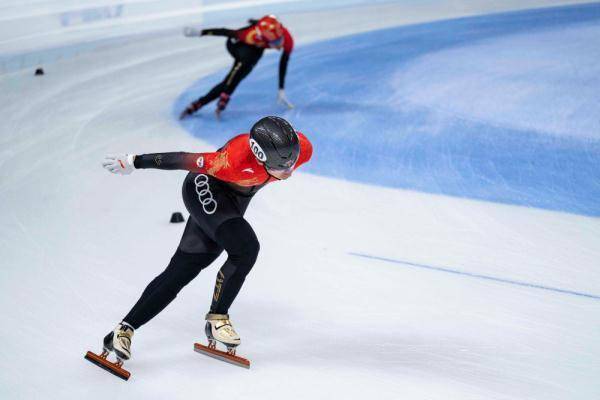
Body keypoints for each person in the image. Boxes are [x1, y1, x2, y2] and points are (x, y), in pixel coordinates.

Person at [100, 116, 312, 362]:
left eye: (291, 165)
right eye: (280, 168)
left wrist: (283, 165)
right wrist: (134, 161)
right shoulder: (231, 160)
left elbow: (286, 159)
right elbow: (181, 159)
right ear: (259, 156)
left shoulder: (301, 148)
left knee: (183, 269)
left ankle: (122, 330)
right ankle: (218, 319)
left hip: (233, 203)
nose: (287, 173)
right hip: (205, 189)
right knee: (245, 248)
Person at [179, 15, 295, 119]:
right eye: (274, 43)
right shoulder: (250, 35)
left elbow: (283, 63)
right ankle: (225, 94)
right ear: (262, 37)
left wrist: (281, 88)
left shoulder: (286, 38)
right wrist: (201, 32)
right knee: (245, 63)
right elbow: (225, 32)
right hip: (236, 45)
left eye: (280, 40)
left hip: (255, 49)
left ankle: (201, 103)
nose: (279, 46)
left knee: (245, 68)